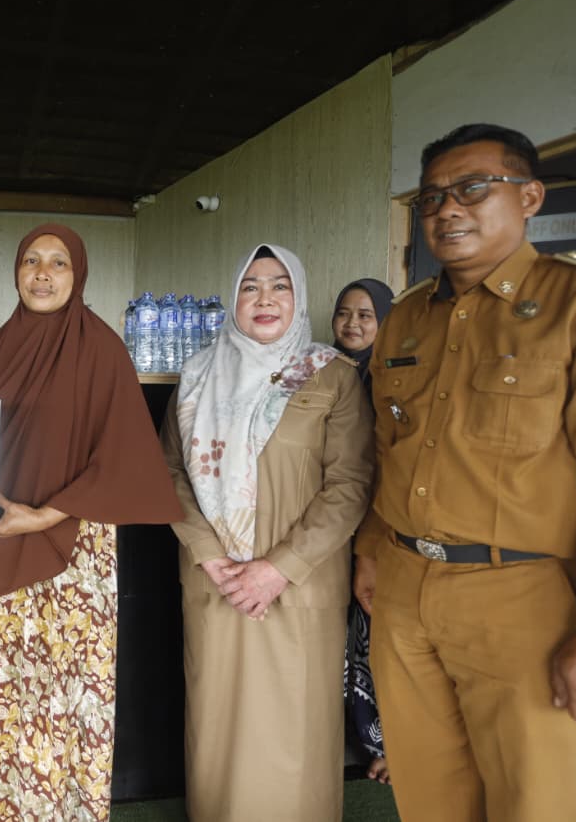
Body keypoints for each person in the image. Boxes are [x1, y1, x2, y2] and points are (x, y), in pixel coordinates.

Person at [353, 123, 576, 822]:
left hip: (524, 600)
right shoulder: (406, 319)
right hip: (402, 593)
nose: (448, 209)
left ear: (530, 197)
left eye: (473, 189)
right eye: (432, 198)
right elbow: (388, 449)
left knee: (535, 802)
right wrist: (370, 550)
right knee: (430, 798)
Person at [0, 223, 182, 821]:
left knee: (63, 706)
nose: (42, 274)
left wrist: (42, 516)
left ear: (79, 275)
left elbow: (124, 457)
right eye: (31, 261)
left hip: (73, 557)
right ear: (16, 272)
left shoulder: (101, 348)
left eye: (58, 264)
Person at [159, 244, 374, 821]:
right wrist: (210, 556)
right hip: (218, 582)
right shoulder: (200, 374)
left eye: (280, 285)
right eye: (250, 287)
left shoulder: (331, 375)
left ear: (298, 296)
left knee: (294, 736)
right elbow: (170, 473)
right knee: (219, 730)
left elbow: (350, 483)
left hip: (299, 585)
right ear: (234, 298)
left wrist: (277, 568)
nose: (265, 299)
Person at [332, 277, 395, 784]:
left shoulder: (394, 378)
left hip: (378, 530)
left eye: (366, 315)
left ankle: (383, 744)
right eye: (344, 313)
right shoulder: (316, 369)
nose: (352, 324)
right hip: (326, 526)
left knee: (371, 640)